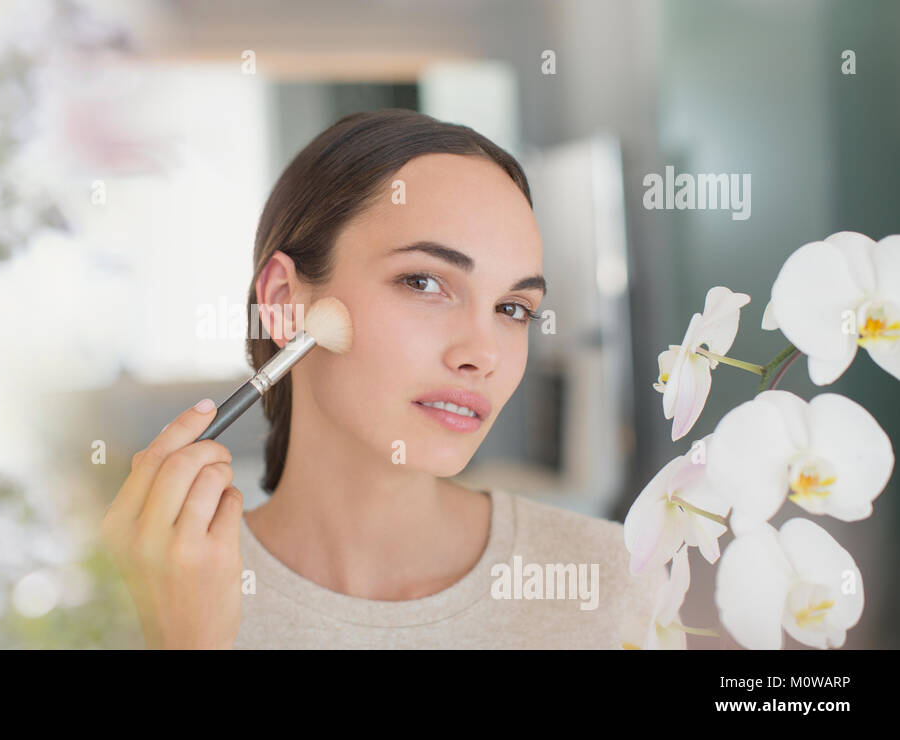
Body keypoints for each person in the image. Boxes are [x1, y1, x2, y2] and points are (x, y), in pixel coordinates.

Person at [102, 108, 668, 649]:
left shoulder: (612, 578)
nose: (482, 354)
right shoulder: (141, 595)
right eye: (424, 282)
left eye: (513, 308)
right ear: (284, 303)